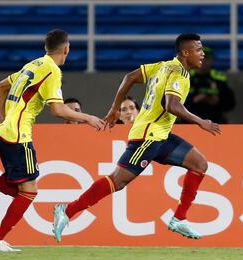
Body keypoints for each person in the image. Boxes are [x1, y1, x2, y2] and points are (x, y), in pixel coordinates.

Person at [53, 33, 222, 242]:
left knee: (199, 164)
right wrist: (201, 122)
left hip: (161, 135)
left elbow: (130, 77)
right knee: (118, 181)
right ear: (186, 53)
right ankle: (67, 211)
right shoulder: (179, 73)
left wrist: (115, 108)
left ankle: (179, 218)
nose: (202, 54)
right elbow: (172, 106)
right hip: (147, 137)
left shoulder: (162, 66)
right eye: (198, 50)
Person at [0, 29, 105, 252]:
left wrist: (10, 116)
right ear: (66, 49)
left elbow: (0, 87)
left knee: (22, 191)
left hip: (9, 131)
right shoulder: (52, 71)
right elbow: (57, 110)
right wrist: (88, 117)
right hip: (18, 135)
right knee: (29, 191)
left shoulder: (33, 64)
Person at [184, 46, 235, 124]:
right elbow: (173, 104)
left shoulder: (219, 79)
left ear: (211, 60)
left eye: (206, 58)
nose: (203, 61)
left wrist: (217, 102)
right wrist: (194, 100)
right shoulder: (185, 77)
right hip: (190, 122)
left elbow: (230, 104)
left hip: (215, 122)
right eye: (199, 57)